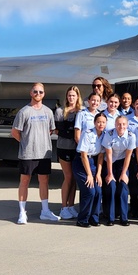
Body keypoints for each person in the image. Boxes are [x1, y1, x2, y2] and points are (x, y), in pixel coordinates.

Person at [10, 83, 60, 224]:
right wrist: (26, 142)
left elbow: (50, 130)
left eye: (41, 92)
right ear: (31, 93)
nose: (38, 94)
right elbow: (15, 132)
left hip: (44, 154)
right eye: (35, 91)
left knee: (44, 181)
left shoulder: (48, 112)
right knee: (24, 181)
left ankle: (45, 211)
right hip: (28, 154)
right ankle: (22, 212)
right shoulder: (24, 112)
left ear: (44, 94)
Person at [73, 111, 107, 227]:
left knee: (98, 191)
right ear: (94, 123)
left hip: (93, 163)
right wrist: (89, 174)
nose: (101, 124)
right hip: (81, 163)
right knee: (90, 191)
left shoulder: (104, 135)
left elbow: (101, 156)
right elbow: (83, 155)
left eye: (103, 122)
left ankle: (94, 217)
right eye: (98, 122)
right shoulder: (87, 134)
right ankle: (82, 219)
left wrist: (98, 174)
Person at [54, 85, 83, 220]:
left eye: (73, 95)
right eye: (69, 95)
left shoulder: (81, 111)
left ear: (77, 97)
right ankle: (63, 207)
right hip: (64, 147)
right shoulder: (60, 111)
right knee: (68, 177)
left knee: (74, 178)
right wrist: (70, 131)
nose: (71, 97)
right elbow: (59, 130)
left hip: (76, 148)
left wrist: (69, 130)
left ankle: (71, 206)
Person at [101, 114, 135, 226]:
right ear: (115, 125)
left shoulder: (131, 136)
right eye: (119, 124)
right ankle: (110, 218)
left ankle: (124, 217)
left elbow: (128, 155)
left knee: (123, 187)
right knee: (111, 186)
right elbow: (109, 155)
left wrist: (124, 173)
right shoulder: (109, 134)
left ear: (127, 125)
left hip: (122, 162)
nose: (121, 126)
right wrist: (110, 174)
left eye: (124, 124)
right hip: (110, 162)